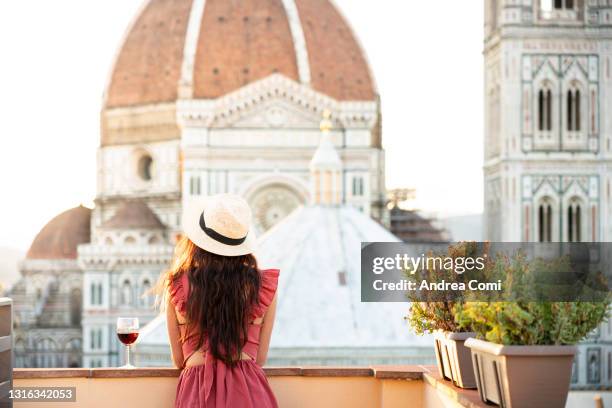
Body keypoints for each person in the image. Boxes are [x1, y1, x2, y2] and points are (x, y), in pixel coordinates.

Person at [165, 194, 279, 407]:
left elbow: (179, 361)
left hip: (197, 394)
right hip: (250, 392)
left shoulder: (177, 284)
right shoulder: (262, 285)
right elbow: (260, 358)